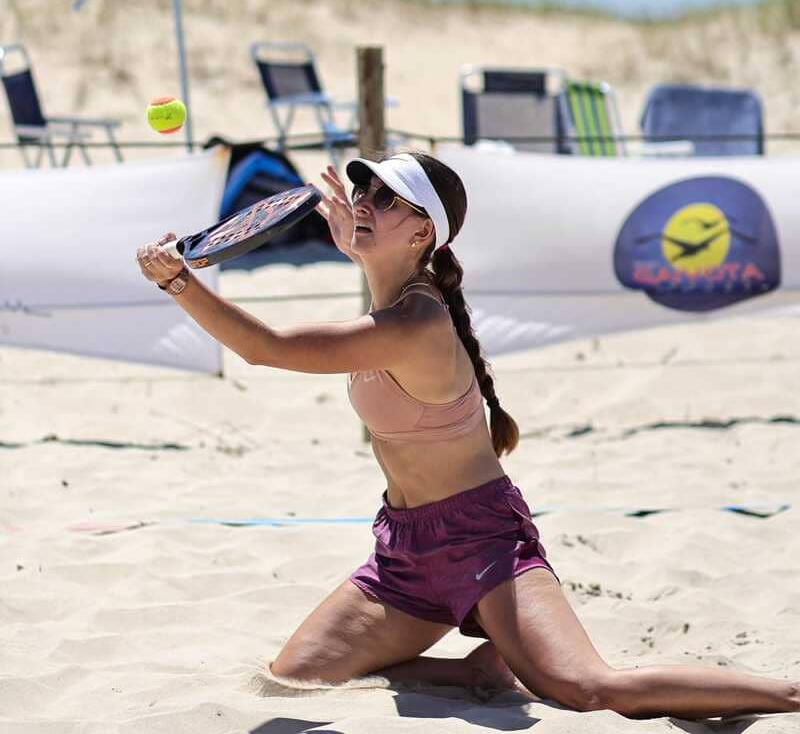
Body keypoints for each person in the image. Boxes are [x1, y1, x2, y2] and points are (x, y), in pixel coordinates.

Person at [136, 150, 799, 719]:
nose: (364, 201)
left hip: (484, 543)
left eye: (386, 199)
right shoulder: (393, 300)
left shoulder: (417, 323)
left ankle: (789, 693)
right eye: (364, 191)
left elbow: (268, 347)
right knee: (297, 674)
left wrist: (177, 281)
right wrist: (364, 247)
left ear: (421, 232)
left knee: (590, 689)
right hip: (403, 550)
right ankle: (477, 672)